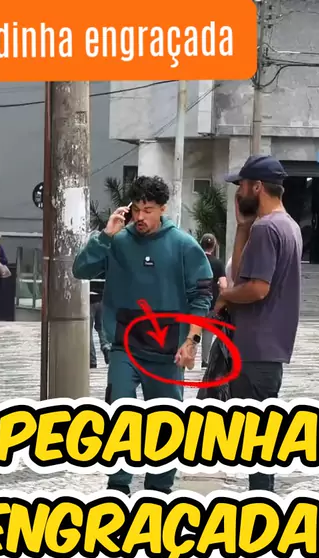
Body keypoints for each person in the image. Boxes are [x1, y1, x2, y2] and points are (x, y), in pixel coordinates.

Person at [72, 174, 213, 495]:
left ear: (163, 209)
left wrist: (191, 341)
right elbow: (81, 270)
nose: (140, 216)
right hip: (124, 346)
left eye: (148, 210)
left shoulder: (184, 246)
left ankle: (159, 490)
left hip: (167, 351)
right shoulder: (118, 241)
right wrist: (105, 235)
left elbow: (202, 297)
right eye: (135, 209)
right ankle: (118, 486)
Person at [215, 154, 302, 493]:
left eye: (242, 186)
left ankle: (262, 507)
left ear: (257, 187)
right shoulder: (286, 225)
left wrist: (226, 296)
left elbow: (256, 288)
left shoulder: (267, 229)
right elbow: (243, 277)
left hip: (254, 349)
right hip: (268, 350)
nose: (238, 193)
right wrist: (242, 228)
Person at [199, 234, 228, 368]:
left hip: (195, 300)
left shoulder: (195, 260)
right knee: (207, 332)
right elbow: (223, 285)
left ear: (201, 244)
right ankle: (205, 360)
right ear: (214, 246)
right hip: (211, 301)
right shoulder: (218, 263)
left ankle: (187, 355)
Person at [89, 283, 110, 369]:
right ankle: (106, 347)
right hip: (102, 299)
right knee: (101, 328)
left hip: (89, 301)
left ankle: (92, 360)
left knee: (87, 332)